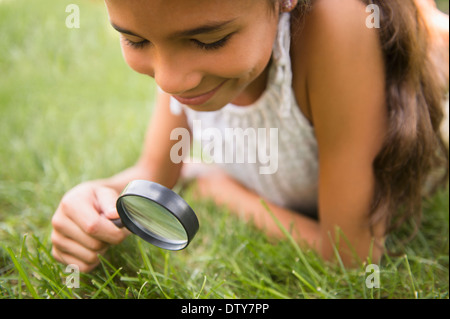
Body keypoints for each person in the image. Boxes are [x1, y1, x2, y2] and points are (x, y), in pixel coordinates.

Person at [51, 0, 449, 273]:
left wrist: (220, 189)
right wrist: (94, 196)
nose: (169, 79)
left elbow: (350, 255)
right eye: (136, 40)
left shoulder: (337, 23)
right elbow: (155, 178)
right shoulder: (174, 35)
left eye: (209, 40)